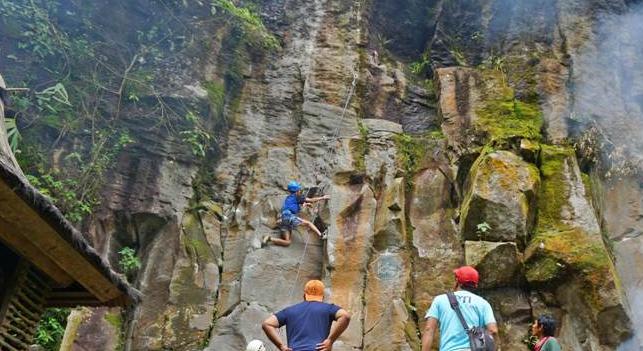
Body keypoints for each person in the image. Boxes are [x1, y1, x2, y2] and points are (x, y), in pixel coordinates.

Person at [421, 266, 499, 351]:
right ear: (475, 285)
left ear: (457, 281)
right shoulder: (483, 303)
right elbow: (493, 330)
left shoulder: (440, 300)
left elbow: (429, 329)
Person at [262, 280, 351, 351]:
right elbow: (345, 316)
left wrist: (281, 346)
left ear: (304, 295)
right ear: (322, 297)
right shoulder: (328, 308)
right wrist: (330, 341)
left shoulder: (290, 310)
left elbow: (267, 324)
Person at [263, 180, 330, 247]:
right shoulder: (296, 196)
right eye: (299, 190)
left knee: (287, 242)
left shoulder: (289, 198)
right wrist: (322, 197)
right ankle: (321, 235)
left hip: (283, 220)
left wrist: (306, 204)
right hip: (289, 217)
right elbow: (310, 200)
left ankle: (269, 239)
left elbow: (295, 205)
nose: (300, 191)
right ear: (297, 191)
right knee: (308, 223)